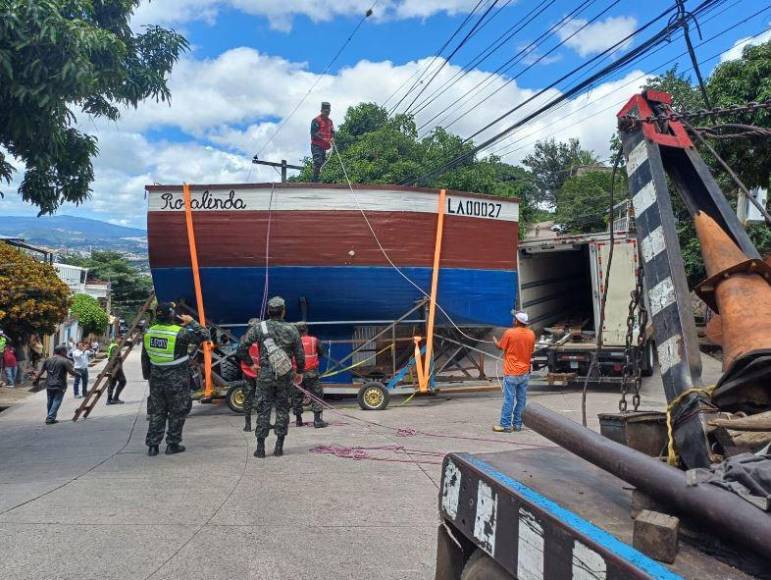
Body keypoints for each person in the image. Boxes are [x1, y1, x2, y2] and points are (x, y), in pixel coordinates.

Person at [237, 297, 304, 458]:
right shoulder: (292, 329)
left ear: (268, 311)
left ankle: (260, 448)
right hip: (284, 375)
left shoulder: (259, 328)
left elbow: (241, 348)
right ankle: (279, 447)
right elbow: (300, 355)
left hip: (265, 375)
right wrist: (299, 371)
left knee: (263, 410)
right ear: (283, 311)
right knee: (282, 409)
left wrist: (251, 364)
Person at [142, 302, 210, 457]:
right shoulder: (180, 333)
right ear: (171, 315)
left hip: (156, 379)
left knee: (157, 411)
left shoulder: (148, 332)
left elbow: (145, 357)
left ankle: (153, 445)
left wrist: (148, 376)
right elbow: (205, 335)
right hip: (177, 379)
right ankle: (172, 444)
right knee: (178, 410)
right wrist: (191, 321)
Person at [493, 311, 536, 433]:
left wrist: (495, 341)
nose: (512, 320)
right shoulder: (531, 334)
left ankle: (505, 425)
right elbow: (531, 349)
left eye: (514, 319)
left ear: (517, 321)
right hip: (524, 373)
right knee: (521, 400)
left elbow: (500, 347)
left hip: (511, 372)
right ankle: (517, 425)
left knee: (509, 400)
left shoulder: (510, 333)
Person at [291, 322, 328, 428]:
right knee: (316, 395)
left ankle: (298, 420)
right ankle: (317, 420)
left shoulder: (292, 342)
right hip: (312, 373)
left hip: (297, 375)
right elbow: (321, 352)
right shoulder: (314, 340)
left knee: (297, 396)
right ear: (306, 330)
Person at [33, 345, 79, 424]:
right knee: (57, 401)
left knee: (50, 401)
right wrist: (78, 374)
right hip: (60, 385)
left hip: (49, 384)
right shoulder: (64, 361)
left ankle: (49, 416)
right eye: (65, 351)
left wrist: (36, 379)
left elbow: (41, 372)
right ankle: (50, 418)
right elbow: (71, 372)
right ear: (61, 352)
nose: (66, 353)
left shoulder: (48, 360)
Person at [239, 329, 261, 433]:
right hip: (259, 372)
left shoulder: (243, 338)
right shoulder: (262, 338)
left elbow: (239, 353)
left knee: (248, 399)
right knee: (261, 398)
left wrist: (249, 364)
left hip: (247, 372)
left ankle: (247, 425)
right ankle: (261, 424)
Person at [310, 101, 335, 182]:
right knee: (317, 162)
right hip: (316, 145)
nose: (327, 113)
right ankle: (314, 182)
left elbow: (332, 132)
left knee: (322, 163)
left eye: (328, 111)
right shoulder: (316, 120)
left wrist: (332, 138)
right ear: (322, 110)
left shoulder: (330, 122)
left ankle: (318, 179)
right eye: (325, 111)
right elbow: (314, 134)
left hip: (324, 147)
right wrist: (325, 139)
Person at [106, 337, 128, 405]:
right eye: (120, 339)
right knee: (123, 381)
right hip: (115, 366)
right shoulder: (115, 346)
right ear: (116, 339)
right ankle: (115, 398)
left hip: (111, 366)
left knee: (112, 383)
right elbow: (113, 357)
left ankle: (109, 400)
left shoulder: (113, 345)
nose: (121, 340)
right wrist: (120, 358)